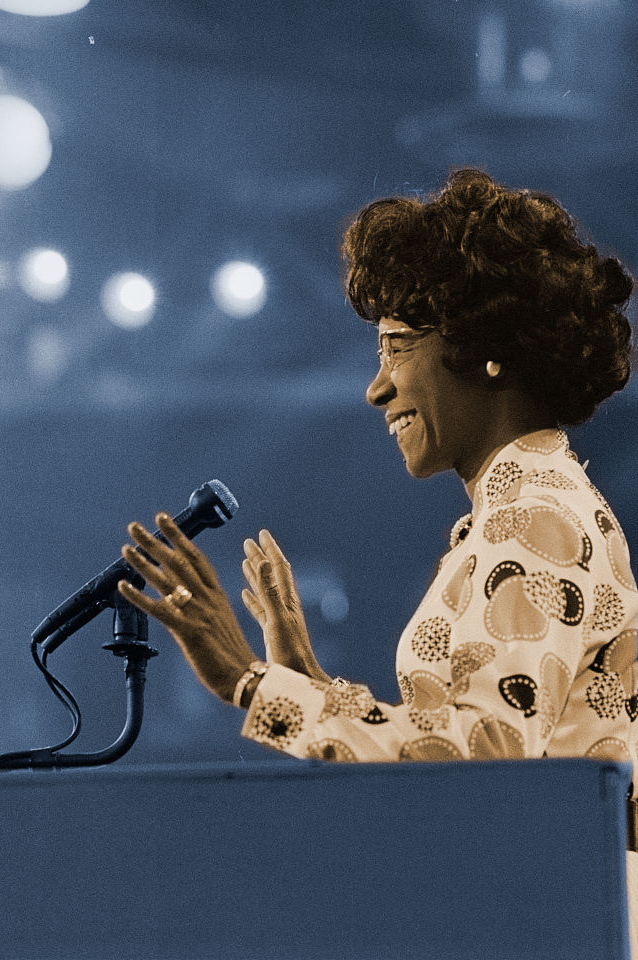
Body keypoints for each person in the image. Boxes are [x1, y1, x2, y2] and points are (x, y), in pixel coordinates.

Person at [117, 169, 637, 922]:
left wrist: (253, 681)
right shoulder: (532, 510)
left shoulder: (533, 521)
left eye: (395, 347)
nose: (376, 387)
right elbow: (484, 748)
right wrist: (306, 677)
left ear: (484, 350)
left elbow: (483, 765)